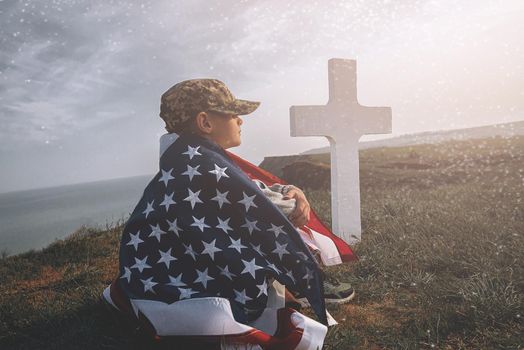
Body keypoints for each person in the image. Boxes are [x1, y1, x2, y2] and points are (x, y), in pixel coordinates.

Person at [102, 78, 356, 349]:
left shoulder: (185, 160)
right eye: (232, 114)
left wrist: (286, 187)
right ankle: (295, 284)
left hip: (161, 268)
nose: (240, 120)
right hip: (197, 277)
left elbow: (247, 189)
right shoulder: (204, 165)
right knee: (270, 228)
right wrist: (294, 195)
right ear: (205, 123)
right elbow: (273, 208)